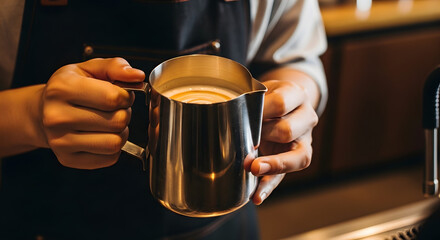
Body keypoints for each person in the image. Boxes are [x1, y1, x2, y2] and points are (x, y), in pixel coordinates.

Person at [0, 0, 328, 239]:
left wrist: (292, 102)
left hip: (225, 226)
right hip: (43, 224)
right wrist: (29, 115)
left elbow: (294, 53)